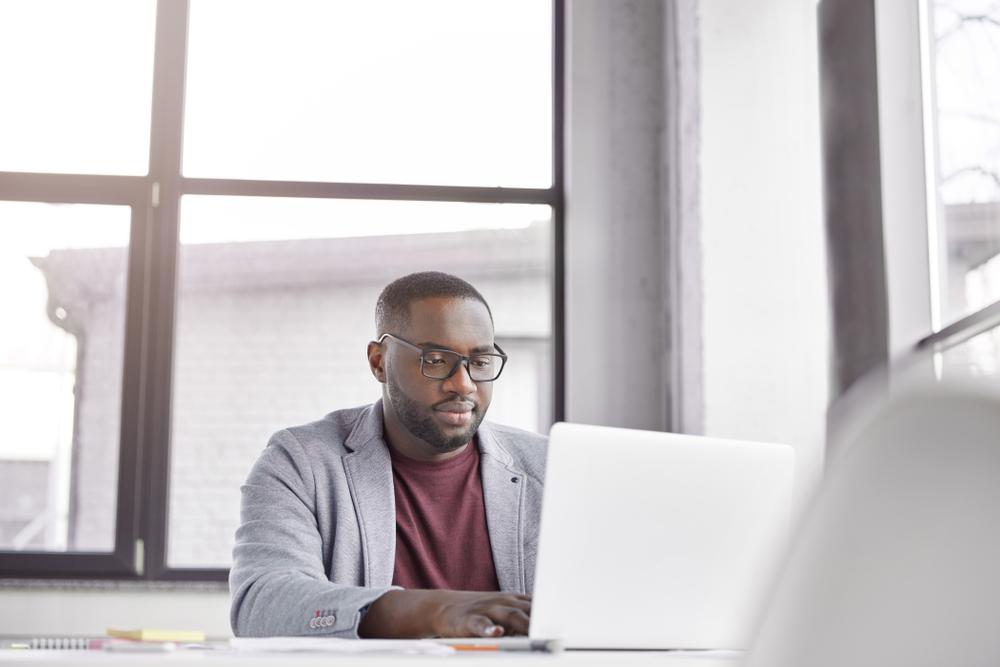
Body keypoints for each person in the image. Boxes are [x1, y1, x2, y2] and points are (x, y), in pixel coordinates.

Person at [229, 271, 547, 639]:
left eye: (480, 362)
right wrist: (433, 610)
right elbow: (261, 605)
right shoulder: (301, 462)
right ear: (379, 362)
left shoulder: (548, 467)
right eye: (437, 360)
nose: (464, 384)